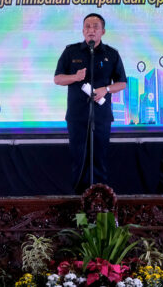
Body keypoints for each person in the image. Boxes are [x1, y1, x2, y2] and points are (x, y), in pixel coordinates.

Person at [54, 13, 127, 193]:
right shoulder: (71, 51)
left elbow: (122, 82)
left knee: (99, 162)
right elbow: (57, 79)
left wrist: (106, 89)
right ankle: (79, 207)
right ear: (82, 30)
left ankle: (99, 205)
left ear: (103, 31)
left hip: (101, 118)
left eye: (95, 27)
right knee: (79, 162)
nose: (91, 30)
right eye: (87, 26)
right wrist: (75, 77)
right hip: (77, 117)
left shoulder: (112, 54)